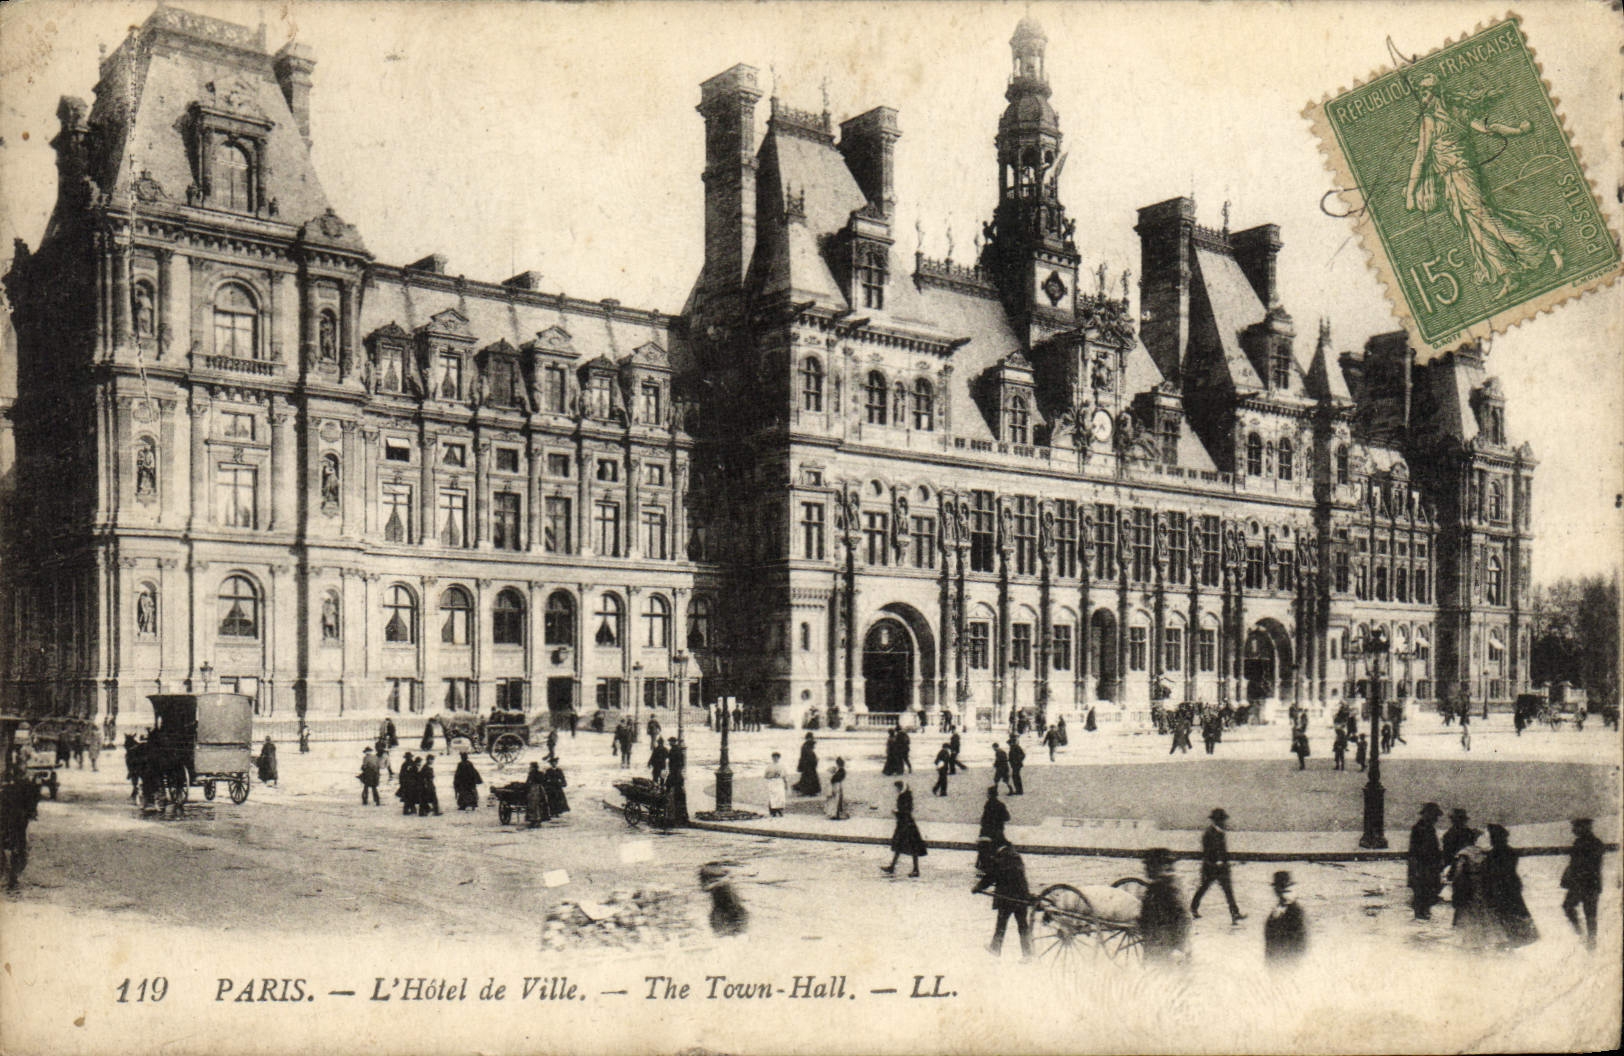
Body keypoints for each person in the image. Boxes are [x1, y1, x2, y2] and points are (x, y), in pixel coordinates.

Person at [1404, 73, 1562, 300]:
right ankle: (1509, 274)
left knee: (1484, 219)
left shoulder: (1434, 120)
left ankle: (1541, 245)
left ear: (1437, 93)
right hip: (1451, 182)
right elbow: (1489, 127)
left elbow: (1421, 157)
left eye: (1426, 91)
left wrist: (1410, 194)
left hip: (1463, 175)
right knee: (1473, 226)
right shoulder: (1448, 114)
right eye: (1421, 92)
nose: (1424, 97)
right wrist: (1519, 130)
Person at [973, 841, 1033, 959]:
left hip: (1006, 897)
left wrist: (978, 887)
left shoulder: (999, 859)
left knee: (1001, 924)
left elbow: (990, 877)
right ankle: (1028, 953)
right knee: (1023, 925)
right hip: (1021, 896)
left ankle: (995, 948)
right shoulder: (1015, 856)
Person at [1481, 823, 1538, 949]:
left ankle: (1510, 940)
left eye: (1492, 837)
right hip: (1512, 885)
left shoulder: (1493, 854)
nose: (1491, 839)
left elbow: (1491, 872)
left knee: (1504, 914)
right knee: (1516, 912)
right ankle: (1520, 938)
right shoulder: (1510, 852)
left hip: (1501, 887)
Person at [1191, 808, 1245, 924]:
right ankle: (1193, 908)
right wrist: (1215, 863)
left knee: (1228, 891)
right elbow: (1207, 852)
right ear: (1217, 821)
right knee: (1203, 888)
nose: (1225, 823)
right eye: (1222, 820)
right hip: (1211, 869)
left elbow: (1223, 852)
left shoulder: (1220, 833)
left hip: (1221, 869)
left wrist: (1226, 862)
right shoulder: (1209, 834)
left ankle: (1235, 913)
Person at [1447, 826, 1497, 948]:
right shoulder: (1482, 852)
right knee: (1481, 912)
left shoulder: (1463, 854)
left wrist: (1455, 887)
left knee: (1466, 913)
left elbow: (1458, 873)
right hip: (1480, 885)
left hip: (1467, 885)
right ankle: (1482, 941)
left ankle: (1468, 943)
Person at [1139, 848, 1191, 965]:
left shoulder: (1167, 887)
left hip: (1165, 948)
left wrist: (1179, 947)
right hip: (1157, 946)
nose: (1146, 870)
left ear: (1157, 867)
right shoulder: (1159, 885)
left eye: (1149, 866)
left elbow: (1184, 918)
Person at [1560, 817, 1603, 950]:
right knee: (1589, 914)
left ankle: (1584, 937)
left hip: (1583, 883)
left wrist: (1569, 877)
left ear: (1585, 827)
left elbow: (1577, 864)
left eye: (1576, 827)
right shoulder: (1594, 843)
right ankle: (1589, 941)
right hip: (1590, 883)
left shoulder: (1586, 843)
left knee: (1571, 907)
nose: (1573, 830)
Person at [1407, 802, 1446, 920]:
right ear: (1427, 815)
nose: (1436, 819)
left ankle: (1423, 916)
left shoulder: (1428, 828)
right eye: (1434, 815)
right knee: (1423, 893)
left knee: (1428, 893)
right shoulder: (1419, 829)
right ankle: (1421, 916)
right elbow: (1416, 851)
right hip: (1422, 867)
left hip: (1428, 867)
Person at [882, 781, 927, 877]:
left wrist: (897, 812)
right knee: (900, 846)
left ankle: (915, 870)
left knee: (912, 847)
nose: (896, 790)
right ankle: (892, 866)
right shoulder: (905, 795)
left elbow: (907, 810)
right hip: (904, 823)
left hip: (906, 824)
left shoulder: (904, 796)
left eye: (897, 788)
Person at [1264, 870, 1308, 965]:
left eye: (1286, 890)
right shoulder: (1275, 912)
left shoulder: (1297, 913)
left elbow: (1301, 947)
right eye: (1279, 890)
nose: (1282, 894)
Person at [977, 785, 1010, 872]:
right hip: (998, 830)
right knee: (1001, 846)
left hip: (987, 830)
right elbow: (1007, 817)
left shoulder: (988, 804)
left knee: (984, 847)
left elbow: (984, 819)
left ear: (989, 795)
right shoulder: (1001, 805)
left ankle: (982, 864)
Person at [524, 761, 551, 827]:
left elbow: (528, 782)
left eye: (531, 767)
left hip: (534, 790)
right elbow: (544, 781)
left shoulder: (531, 774)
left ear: (533, 767)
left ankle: (533, 820)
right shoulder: (540, 773)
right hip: (541, 790)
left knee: (532, 805)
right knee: (541, 804)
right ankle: (539, 820)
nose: (530, 768)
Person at [763, 752, 788, 818]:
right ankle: (772, 811)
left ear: (779, 758)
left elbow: (784, 776)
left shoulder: (782, 766)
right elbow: (765, 776)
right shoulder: (769, 766)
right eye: (774, 757)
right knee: (773, 796)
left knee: (780, 797)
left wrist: (786, 784)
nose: (775, 759)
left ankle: (780, 810)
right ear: (772, 758)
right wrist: (772, 775)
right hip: (772, 782)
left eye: (777, 757)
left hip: (779, 782)